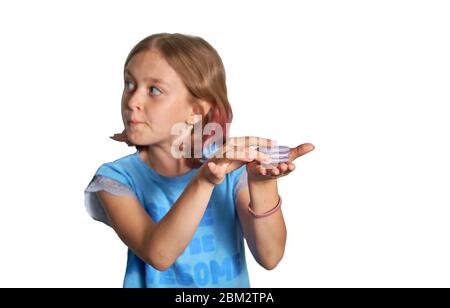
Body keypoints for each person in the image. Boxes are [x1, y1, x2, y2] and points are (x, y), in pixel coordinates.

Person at [84, 33, 315, 288]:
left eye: (154, 90)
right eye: (129, 84)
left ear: (196, 110)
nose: (133, 101)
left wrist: (260, 183)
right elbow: (159, 254)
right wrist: (205, 179)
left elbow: (270, 257)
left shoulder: (232, 169)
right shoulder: (115, 179)